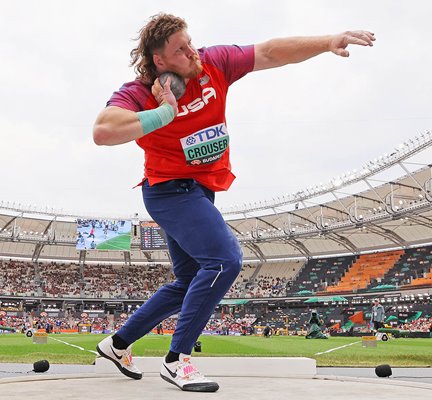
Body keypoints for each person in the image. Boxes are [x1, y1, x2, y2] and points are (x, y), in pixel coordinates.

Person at [93, 13, 374, 392]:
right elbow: (104, 131)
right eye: (180, 49)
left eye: (190, 41)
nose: (191, 51)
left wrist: (327, 41)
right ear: (160, 61)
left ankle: (117, 344)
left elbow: (272, 52)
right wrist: (163, 113)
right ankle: (178, 360)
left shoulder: (214, 62)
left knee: (191, 280)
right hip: (169, 191)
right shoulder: (141, 92)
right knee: (225, 261)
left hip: (200, 191)